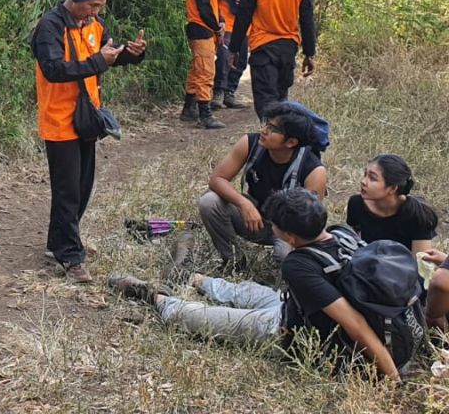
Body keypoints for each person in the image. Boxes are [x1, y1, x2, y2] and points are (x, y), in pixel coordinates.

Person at [109, 189, 402, 381]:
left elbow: (356, 324)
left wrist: (392, 379)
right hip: (292, 306)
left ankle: (157, 297)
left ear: (289, 236)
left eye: (274, 224)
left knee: (200, 318)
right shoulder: (342, 234)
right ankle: (195, 279)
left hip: (286, 330)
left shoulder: (298, 264)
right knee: (250, 291)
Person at [32, 0, 147, 283]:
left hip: (86, 117)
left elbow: (103, 56)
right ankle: (70, 257)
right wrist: (101, 62)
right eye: (93, 5)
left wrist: (129, 55)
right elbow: (55, 69)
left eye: (100, 6)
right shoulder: (50, 27)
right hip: (59, 119)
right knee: (67, 190)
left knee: (82, 186)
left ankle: (61, 244)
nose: (97, 12)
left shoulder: (93, 26)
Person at [199, 102, 327, 268]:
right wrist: (244, 204)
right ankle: (233, 262)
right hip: (253, 218)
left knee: (285, 255)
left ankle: (290, 278)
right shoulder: (250, 143)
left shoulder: (314, 170)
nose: (264, 130)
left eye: (273, 129)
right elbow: (217, 179)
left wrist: (286, 239)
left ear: (291, 142)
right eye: (266, 123)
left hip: (287, 229)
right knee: (209, 202)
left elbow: (309, 221)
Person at [228, 0, 316, 120]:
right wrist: (309, 53)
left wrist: (233, 49)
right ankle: (279, 139)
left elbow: (243, 18)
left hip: (262, 48)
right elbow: (307, 20)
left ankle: (270, 140)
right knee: (281, 99)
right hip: (288, 48)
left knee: (266, 103)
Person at [346, 154, 437, 255]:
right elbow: (351, 244)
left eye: (372, 178)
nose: (363, 181)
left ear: (393, 188)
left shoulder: (416, 214)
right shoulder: (356, 204)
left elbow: (420, 262)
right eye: (365, 174)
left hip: (404, 268)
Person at [211, 0, 260, 110]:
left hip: (246, 23)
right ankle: (218, 91)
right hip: (226, 20)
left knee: (241, 60)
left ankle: (230, 91)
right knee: (223, 57)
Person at [181, 0, 225, 129]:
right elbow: (204, 8)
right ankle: (205, 115)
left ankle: (188, 109)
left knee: (197, 69)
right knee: (206, 71)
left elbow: (212, 6)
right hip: (201, 29)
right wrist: (217, 27)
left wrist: (219, 20)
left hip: (204, 28)